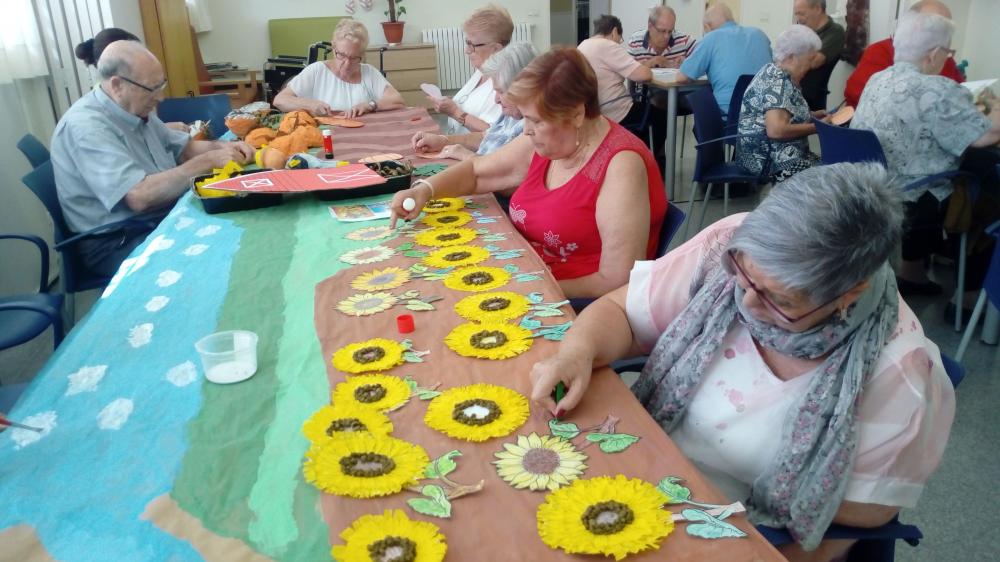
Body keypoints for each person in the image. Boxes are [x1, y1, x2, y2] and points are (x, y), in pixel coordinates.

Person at [529, 163, 955, 561]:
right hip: (641, 463)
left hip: (737, 532)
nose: (746, 302)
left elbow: (851, 523)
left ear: (851, 292)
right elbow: (621, 311)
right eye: (743, 275)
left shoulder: (899, 373)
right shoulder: (731, 245)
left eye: (779, 299)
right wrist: (576, 353)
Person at [391, 48, 667, 299]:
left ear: (576, 114)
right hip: (530, 273)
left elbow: (616, 281)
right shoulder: (549, 142)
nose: (526, 130)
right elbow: (476, 173)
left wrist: (526, 286)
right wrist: (424, 190)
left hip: (572, 303)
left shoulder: (621, 167)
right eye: (525, 118)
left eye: (535, 120)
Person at [51, 41, 254, 276]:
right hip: (118, 239)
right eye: (152, 88)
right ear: (117, 85)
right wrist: (208, 161)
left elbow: (184, 148)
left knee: (243, 226)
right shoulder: (87, 127)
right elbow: (140, 196)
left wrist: (225, 146)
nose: (161, 97)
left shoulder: (134, 108)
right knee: (221, 257)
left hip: (157, 218)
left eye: (162, 85)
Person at [851, 11, 1000, 296]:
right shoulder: (937, 88)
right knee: (987, 199)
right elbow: (987, 135)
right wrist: (995, 108)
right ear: (933, 54)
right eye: (948, 52)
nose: (948, 58)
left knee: (934, 167)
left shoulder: (877, 80)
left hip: (869, 184)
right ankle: (968, 299)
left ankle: (913, 274)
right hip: (909, 198)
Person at [411, 43, 537, 161]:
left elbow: (507, 168)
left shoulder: (530, 127)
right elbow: (485, 136)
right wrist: (443, 141)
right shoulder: (512, 113)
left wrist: (466, 155)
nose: (496, 99)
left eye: (501, 92)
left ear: (523, 88)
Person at [736, 25, 827, 182]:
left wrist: (813, 116)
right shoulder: (778, 82)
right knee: (833, 177)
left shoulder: (773, 70)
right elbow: (776, 130)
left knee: (833, 169)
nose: (811, 66)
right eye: (809, 60)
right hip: (769, 161)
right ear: (791, 57)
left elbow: (786, 114)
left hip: (777, 154)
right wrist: (818, 127)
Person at [844, 0, 963, 109]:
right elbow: (858, 97)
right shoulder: (879, 51)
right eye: (933, 27)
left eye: (946, 30)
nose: (939, 36)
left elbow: (960, 94)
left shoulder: (945, 58)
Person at [274, 19, 405, 118]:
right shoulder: (317, 71)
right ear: (333, 47)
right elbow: (280, 100)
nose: (347, 64)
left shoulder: (368, 72)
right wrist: (310, 104)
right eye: (341, 55)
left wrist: (370, 105)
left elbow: (397, 100)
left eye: (354, 58)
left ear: (362, 55)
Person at [429, 4, 514, 135]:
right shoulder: (482, 71)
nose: (467, 50)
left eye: (472, 45)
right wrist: (450, 103)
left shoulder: (505, 83)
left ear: (496, 49)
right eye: (467, 43)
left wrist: (454, 111)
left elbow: (494, 135)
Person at [676, 4, 772, 118]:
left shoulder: (711, 38)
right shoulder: (760, 34)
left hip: (729, 118)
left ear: (707, 26)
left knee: (695, 100)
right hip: (766, 118)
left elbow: (682, 78)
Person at [577, 15, 653, 125]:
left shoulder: (582, 46)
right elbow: (645, 75)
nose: (618, 43)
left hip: (594, 112)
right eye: (619, 39)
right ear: (614, 31)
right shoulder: (608, 45)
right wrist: (650, 64)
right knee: (660, 114)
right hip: (616, 113)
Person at [793, 0, 845, 110]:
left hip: (812, 101)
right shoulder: (803, 30)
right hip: (792, 96)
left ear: (817, 8)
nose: (798, 19)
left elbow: (813, 62)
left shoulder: (835, 32)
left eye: (802, 13)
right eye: (796, 14)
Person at [627, 5, 697, 70]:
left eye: (670, 31)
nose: (667, 36)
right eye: (662, 31)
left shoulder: (683, 41)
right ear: (650, 26)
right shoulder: (635, 42)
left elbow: (702, 62)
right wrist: (649, 63)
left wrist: (686, 63)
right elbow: (627, 71)